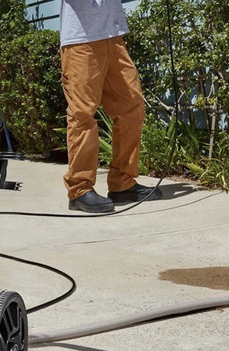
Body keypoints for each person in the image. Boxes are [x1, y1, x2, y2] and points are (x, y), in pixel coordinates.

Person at [60, 0, 162, 213]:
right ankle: (79, 189)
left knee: (131, 107)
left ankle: (122, 184)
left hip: (112, 36)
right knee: (82, 114)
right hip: (80, 39)